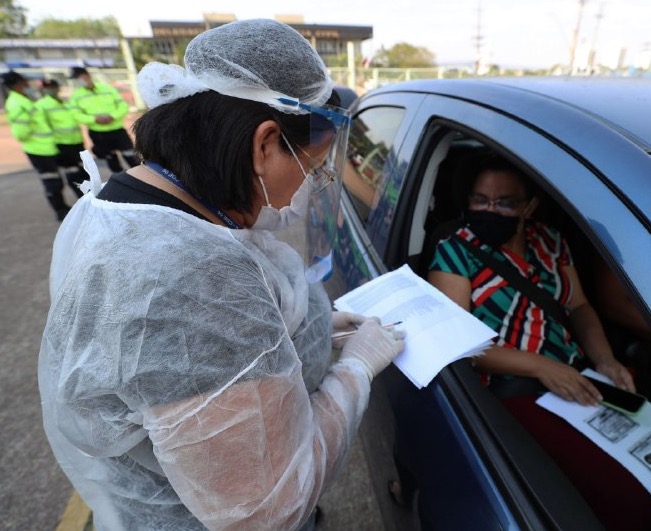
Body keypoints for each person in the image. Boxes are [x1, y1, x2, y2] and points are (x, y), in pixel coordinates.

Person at [38, 19, 405, 531]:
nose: (309, 184)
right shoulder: (191, 276)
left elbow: (177, 363)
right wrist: (357, 370)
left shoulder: (130, 200)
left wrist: (302, 330)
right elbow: (266, 508)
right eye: (311, 165)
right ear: (264, 143)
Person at [424, 151, 651, 530]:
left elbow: (578, 307)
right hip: (512, 386)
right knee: (627, 503)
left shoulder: (550, 241)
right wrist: (541, 365)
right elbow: (456, 343)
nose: (489, 210)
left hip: (581, 376)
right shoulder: (455, 250)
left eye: (505, 202)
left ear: (530, 206)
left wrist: (606, 360)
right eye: (480, 200)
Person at [2, 71, 71, 220]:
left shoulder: (23, 99)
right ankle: (60, 211)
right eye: (24, 82)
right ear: (18, 84)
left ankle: (62, 208)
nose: (27, 85)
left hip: (45, 147)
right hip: (37, 149)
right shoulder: (16, 103)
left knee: (56, 180)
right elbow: (21, 133)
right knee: (52, 182)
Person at [68, 65, 140, 172]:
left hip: (117, 130)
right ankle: (123, 184)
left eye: (78, 78)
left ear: (86, 75)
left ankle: (142, 181)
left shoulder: (107, 88)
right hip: (98, 133)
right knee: (112, 162)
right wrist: (94, 119)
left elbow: (123, 105)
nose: (77, 81)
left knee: (132, 158)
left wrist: (112, 116)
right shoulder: (76, 95)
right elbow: (75, 114)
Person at [36, 78, 89, 198]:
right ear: (44, 89)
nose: (51, 90)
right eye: (48, 88)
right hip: (62, 144)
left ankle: (90, 196)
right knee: (73, 174)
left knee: (84, 171)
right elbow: (43, 126)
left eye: (53, 87)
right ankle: (82, 198)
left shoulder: (65, 102)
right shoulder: (42, 105)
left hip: (76, 142)